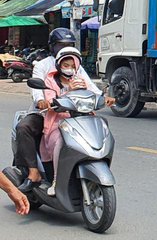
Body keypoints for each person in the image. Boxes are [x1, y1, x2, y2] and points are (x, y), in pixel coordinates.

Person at [13, 28, 111, 193]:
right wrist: (41, 101)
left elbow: (91, 86)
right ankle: (34, 172)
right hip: (47, 111)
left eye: (68, 44)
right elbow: (38, 90)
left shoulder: (74, 64)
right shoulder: (44, 66)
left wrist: (103, 97)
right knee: (24, 127)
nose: (64, 48)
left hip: (74, 111)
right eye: (60, 44)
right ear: (52, 46)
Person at [41, 47, 114, 196]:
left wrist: (104, 99)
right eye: (66, 66)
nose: (69, 69)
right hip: (58, 121)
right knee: (60, 141)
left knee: (102, 128)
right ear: (59, 65)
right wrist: (67, 90)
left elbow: (92, 94)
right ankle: (56, 181)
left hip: (81, 119)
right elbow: (50, 100)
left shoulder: (80, 80)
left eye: (73, 66)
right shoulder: (50, 80)